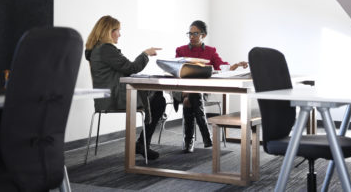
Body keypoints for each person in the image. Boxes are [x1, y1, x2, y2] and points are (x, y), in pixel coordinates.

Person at [85, 15, 165, 160]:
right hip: (115, 98)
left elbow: (123, 70)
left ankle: (142, 144)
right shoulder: (105, 49)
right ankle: (142, 144)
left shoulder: (96, 49)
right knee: (159, 100)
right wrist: (145, 54)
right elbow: (131, 67)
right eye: (118, 31)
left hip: (104, 98)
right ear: (109, 31)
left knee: (157, 96)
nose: (120, 34)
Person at [175, 20, 248, 153]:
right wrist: (185, 90)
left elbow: (222, 67)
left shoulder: (210, 51)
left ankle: (188, 141)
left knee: (192, 98)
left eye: (195, 33)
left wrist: (236, 65)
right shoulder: (181, 50)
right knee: (191, 96)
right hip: (183, 89)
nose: (191, 36)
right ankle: (206, 137)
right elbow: (176, 71)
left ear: (204, 35)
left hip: (200, 91)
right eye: (189, 33)